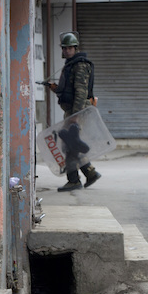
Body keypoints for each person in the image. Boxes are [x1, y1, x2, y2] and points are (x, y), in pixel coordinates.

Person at [47, 32, 101, 192]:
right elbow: (68, 90)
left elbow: (81, 92)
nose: (66, 51)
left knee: (69, 145)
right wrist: (54, 88)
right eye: (64, 48)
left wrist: (75, 117)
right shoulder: (71, 64)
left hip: (77, 112)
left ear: (75, 48)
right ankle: (89, 173)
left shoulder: (80, 65)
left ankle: (74, 180)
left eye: (69, 48)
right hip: (72, 111)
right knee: (72, 144)